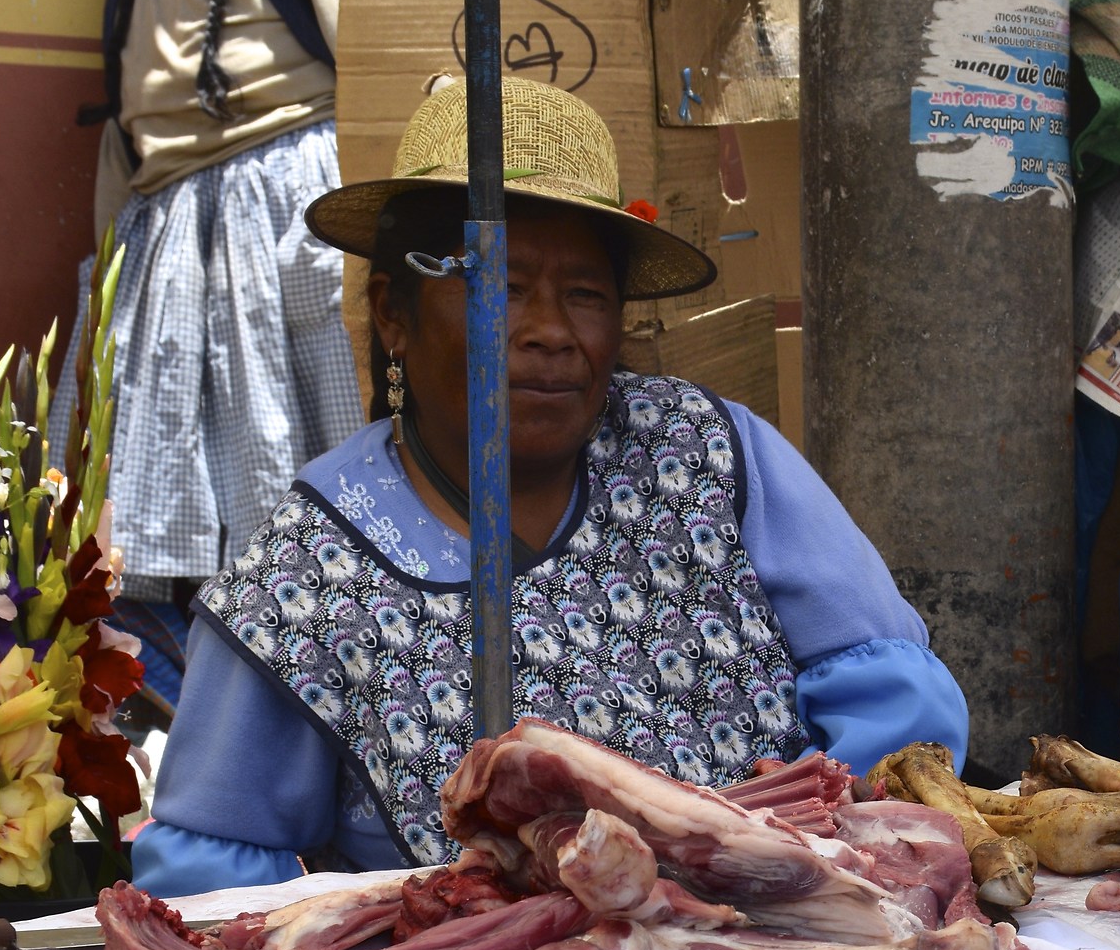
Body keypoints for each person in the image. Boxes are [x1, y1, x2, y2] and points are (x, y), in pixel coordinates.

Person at [132, 77, 969, 894]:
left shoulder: (707, 450)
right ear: (393, 312)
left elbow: (899, 716)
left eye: (586, 296)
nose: (550, 334)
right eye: (499, 285)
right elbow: (213, 877)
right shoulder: (305, 571)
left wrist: (805, 883)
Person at [55, 0, 362, 711]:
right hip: (165, 216)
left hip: (298, 192)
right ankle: (203, 733)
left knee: (322, 520)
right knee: (121, 536)